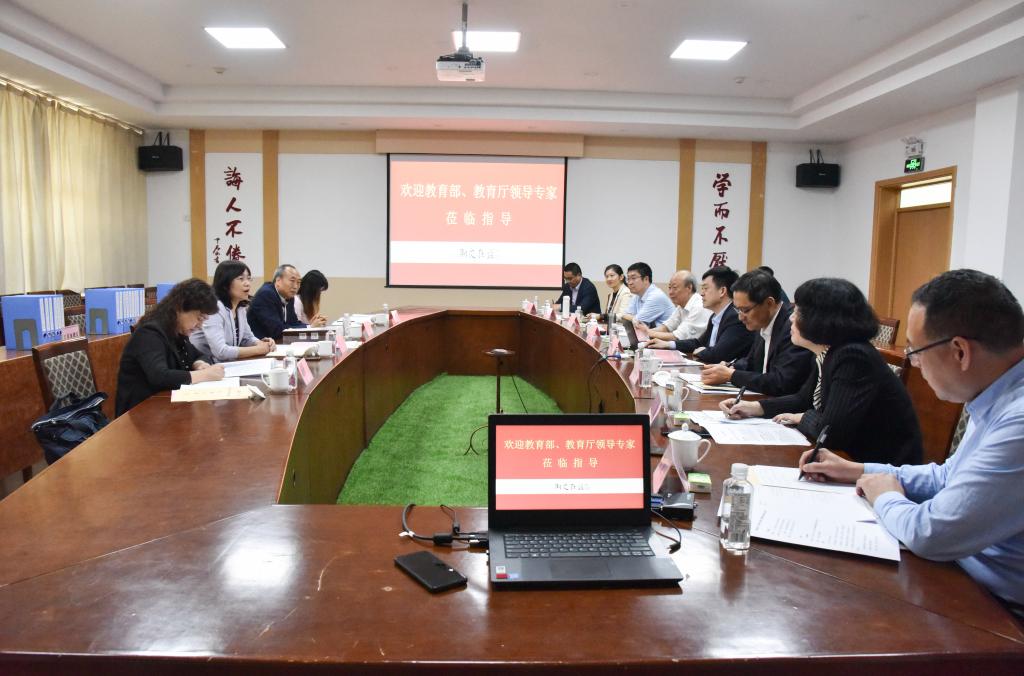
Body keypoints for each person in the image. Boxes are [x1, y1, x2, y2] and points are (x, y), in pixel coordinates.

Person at [799, 269, 1024, 615]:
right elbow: (947, 477)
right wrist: (858, 470)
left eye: (915, 352)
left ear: (960, 351)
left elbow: (932, 534)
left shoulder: (1017, 419)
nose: (914, 364)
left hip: (999, 612)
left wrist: (885, 495)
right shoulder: (996, 394)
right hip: (960, 575)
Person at [721, 277, 922, 465]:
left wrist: (801, 417)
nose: (791, 318)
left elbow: (831, 432)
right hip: (847, 460)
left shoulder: (853, 356)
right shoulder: (828, 352)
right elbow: (802, 399)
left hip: (880, 467)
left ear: (822, 319)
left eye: (798, 312)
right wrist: (754, 407)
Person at [115, 279, 224, 416]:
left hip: (166, 409)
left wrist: (199, 364)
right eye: (199, 318)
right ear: (180, 308)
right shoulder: (149, 333)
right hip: (139, 414)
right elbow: (160, 376)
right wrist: (204, 375)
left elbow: (199, 355)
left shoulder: (177, 331)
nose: (200, 325)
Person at [700, 269, 813, 396]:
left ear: (769, 303)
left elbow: (782, 382)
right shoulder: (762, 321)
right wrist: (730, 366)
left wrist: (731, 375)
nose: (740, 317)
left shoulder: (793, 328)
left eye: (745, 310)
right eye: (738, 310)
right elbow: (752, 362)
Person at [650, 266, 754, 364]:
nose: (702, 293)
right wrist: (668, 344)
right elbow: (698, 343)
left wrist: (700, 351)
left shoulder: (735, 317)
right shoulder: (715, 317)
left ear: (722, 291)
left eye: (705, 288)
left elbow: (717, 355)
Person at [190, 260, 275, 363]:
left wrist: (261, 343)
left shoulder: (240, 307)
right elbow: (221, 351)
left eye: (248, 278)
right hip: (205, 365)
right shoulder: (213, 308)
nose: (247, 283)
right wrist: (258, 349)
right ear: (225, 283)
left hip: (227, 364)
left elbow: (246, 338)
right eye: (241, 279)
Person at [641, 270, 710, 342]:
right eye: (669, 288)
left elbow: (677, 337)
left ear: (689, 288)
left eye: (674, 288)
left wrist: (648, 333)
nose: (670, 292)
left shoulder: (699, 306)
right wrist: (645, 331)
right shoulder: (682, 305)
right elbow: (666, 327)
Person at [248, 264, 306, 341]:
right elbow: (276, 330)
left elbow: (293, 323)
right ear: (278, 281)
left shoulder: (288, 296)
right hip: (259, 343)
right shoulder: (266, 294)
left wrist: (310, 327)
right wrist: (306, 328)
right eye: (292, 281)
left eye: (298, 282)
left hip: (277, 343)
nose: (295, 286)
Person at [620, 262, 674, 326]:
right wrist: (634, 318)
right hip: (650, 331)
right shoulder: (637, 295)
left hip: (666, 332)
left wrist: (634, 319)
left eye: (633, 278)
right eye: (628, 279)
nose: (630, 283)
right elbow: (624, 315)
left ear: (646, 279)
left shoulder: (655, 296)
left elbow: (638, 322)